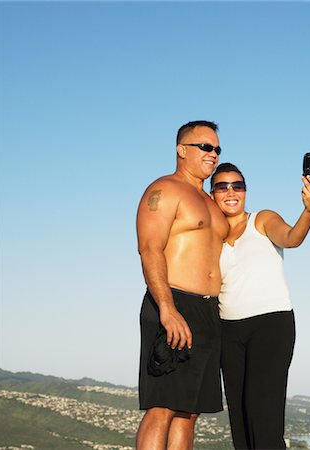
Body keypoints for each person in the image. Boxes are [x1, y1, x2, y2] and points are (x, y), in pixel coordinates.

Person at [210, 162, 310, 450]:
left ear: (246, 191)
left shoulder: (262, 219)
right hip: (228, 329)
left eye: (238, 186)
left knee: (263, 413)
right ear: (212, 194)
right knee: (240, 417)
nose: (231, 192)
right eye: (222, 187)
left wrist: (309, 209)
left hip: (270, 324)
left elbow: (292, 238)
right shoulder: (211, 237)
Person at [136, 121, 228, 450]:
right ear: (182, 150)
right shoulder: (165, 190)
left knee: (189, 412)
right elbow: (149, 248)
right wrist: (167, 307)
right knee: (162, 405)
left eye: (217, 149)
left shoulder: (211, 203)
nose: (213, 154)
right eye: (206, 147)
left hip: (208, 311)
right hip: (174, 302)